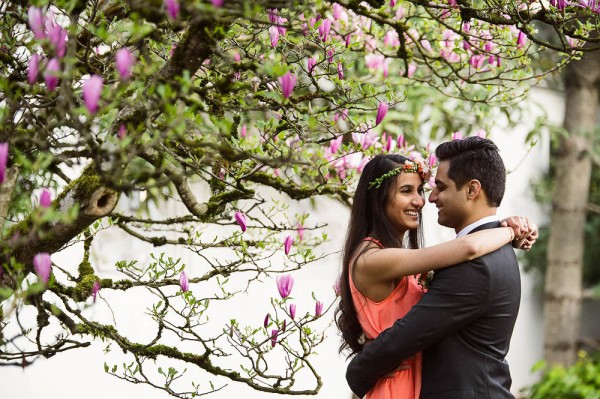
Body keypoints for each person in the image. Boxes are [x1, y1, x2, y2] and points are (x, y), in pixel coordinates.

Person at [339, 138, 536, 399]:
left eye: (432, 189)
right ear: (379, 197)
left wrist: (507, 228)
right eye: (406, 191)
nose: (425, 200)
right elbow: (468, 248)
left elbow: (410, 332)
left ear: (471, 190)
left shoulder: (475, 265)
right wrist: (509, 230)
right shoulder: (373, 258)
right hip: (399, 383)